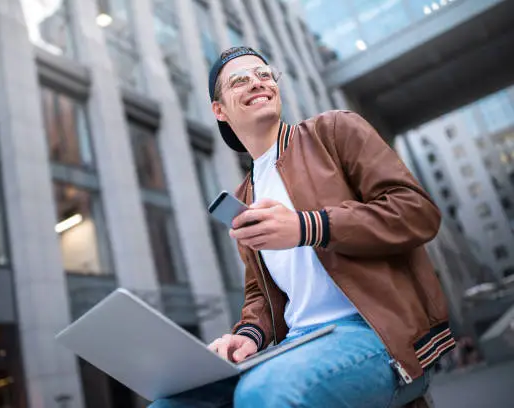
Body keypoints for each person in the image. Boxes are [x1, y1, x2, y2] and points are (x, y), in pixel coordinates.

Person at [150, 46, 455, 408]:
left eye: (264, 75)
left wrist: (307, 226)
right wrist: (250, 335)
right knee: (170, 404)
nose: (257, 83)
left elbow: (417, 211)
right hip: (299, 343)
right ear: (219, 110)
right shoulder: (244, 194)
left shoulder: (335, 131)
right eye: (240, 81)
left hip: (374, 333)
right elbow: (260, 294)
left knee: (263, 393)